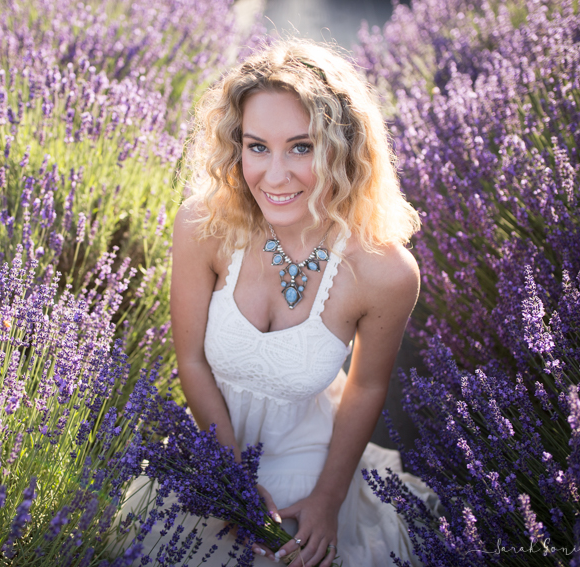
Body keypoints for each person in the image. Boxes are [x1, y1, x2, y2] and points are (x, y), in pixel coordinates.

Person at [118, 38, 439, 567]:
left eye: (302, 146)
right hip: (214, 440)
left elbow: (365, 386)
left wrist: (329, 500)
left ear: (342, 147)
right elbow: (192, 360)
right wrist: (229, 475)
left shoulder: (384, 272)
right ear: (235, 145)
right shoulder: (206, 226)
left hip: (312, 458)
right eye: (257, 146)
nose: (274, 175)